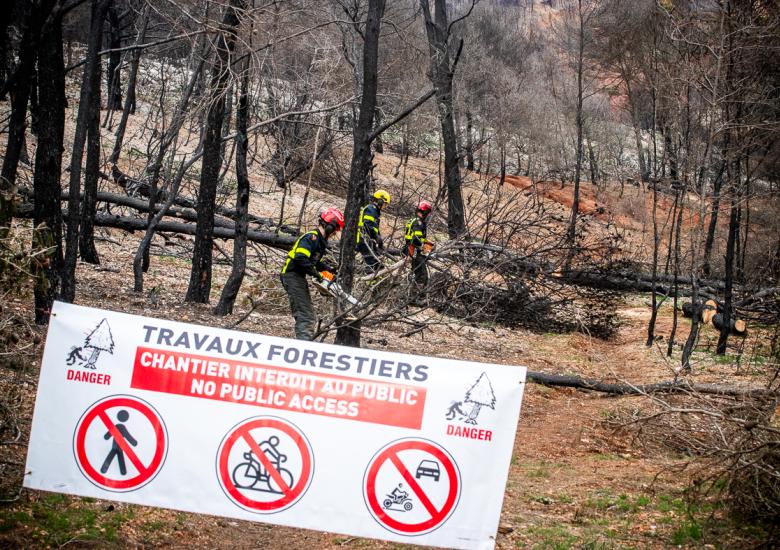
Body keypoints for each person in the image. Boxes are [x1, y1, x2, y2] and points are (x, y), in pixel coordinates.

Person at [281, 208, 344, 340]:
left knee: (308, 314)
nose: (336, 232)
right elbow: (300, 258)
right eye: (336, 228)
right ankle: (304, 345)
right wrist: (317, 275)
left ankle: (305, 341)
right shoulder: (311, 237)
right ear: (329, 225)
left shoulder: (319, 241)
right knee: (306, 316)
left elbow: (314, 262)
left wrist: (328, 270)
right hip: (292, 275)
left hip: (298, 277)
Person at [356, 189, 391, 272]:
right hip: (363, 239)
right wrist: (376, 236)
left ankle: (376, 278)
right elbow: (367, 225)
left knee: (378, 262)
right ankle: (367, 280)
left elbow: (374, 228)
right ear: (380, 201)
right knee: (372, 263)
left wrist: (380, 241)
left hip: (369, 241)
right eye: (385, 204)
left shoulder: (374, 211)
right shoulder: (371, 209)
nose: (385, 207)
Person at [404, 200, 433, 298]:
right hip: (414, 250)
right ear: (425, 212)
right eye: (428, 213)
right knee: (421, 274)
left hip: (411, 248)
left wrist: (428, 244)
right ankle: (415, 298)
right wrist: (424, 248)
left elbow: (419, 238)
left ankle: (415, 295)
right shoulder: (419, 223)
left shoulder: (414, 220)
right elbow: (416, 239)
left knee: (417, 272)